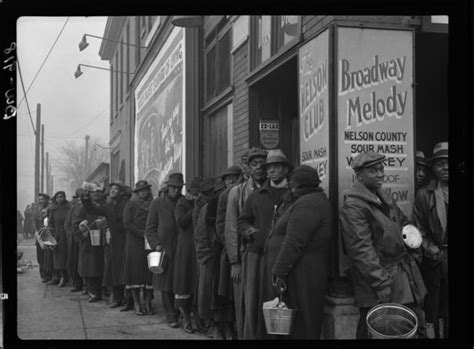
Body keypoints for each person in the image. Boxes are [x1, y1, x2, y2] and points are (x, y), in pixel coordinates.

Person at [339, 152, 427, 339]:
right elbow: (361, 250)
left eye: (381, 169)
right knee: (376, 326)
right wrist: (380, 283)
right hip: (380, 278)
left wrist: (413, 241)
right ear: (359, 176)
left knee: (412, 322)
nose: (380, 174)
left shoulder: (383, 196)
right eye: (373, 171)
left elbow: (403, 222)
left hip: (401, 273)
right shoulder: (353, 206)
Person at [260, 165, 333, 339]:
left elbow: (294, 241)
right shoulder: (310, 200)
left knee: (302, 323)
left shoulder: (308, 203)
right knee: (299, 322)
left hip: (303, 273)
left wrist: (278, 271)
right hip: (302, 271)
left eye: (294, 185)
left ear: (300, 186)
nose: (291, 188)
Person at [238, 148, 292, 340]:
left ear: (285, 169)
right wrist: (254, 234)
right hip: (257, 256)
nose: (271, 171)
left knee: (282, 302)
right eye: (269, 168)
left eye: (276, 167)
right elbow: (242, 222)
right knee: (255, 301)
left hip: (284, 256)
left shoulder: (293, 194)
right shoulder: (256, 196)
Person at [224, 147, 267, 339]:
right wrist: (235, 261)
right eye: (254, 164)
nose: (259, 167)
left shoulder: (272, 188)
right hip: (244, 254)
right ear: (248, 168)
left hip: (267, 253)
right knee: (245, 303)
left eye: (262, 163)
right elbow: (231, 227)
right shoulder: (237, 192)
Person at [413, 142, 449, 338]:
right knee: (434, 308)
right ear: (434, 169)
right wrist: (431, 249)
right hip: (436, 259)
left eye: (449, 162)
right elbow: (420, 229)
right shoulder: (424, 194)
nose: (446, 167)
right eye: (440, 164)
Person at [82, 180, 130, 309]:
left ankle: (128, 299)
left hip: (127, 241)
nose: (112, 190)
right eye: (112, 188)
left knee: (126, 270)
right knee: (114, 270)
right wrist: (86, 197)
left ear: (121, 193)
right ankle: (117, 297)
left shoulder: (127, 204)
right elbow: (92, 209)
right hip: (113, 243)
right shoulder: (108, 207)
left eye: (116, 189)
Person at [145, 172, 184, 328]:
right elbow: (150, 229)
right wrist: (156, 245)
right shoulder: (158, 203)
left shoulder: (184, 202)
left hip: (181, 249)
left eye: (179, 187)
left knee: (179, 282)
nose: (176, 190)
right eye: (173, 187)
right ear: (168, 187)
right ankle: (171, 315)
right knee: (166, 283)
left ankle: (178, 310)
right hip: (164, 249)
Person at [215, 165, 244, 340]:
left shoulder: (244, 191)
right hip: (226, 250)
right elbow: (220, 224)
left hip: (245, 248)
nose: (231, 181)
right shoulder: (223, 196)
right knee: (224, 293)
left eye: (234, 177)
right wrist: (229, 246)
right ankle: (223, 327)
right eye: (228, 178)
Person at [173, 176, 202, 333]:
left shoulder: (202, 202)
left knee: (195, 283)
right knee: (184, 282)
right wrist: (194, 209)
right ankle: (185, 318)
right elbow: (181, 222)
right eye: (195, 193)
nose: (197, 196)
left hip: (197, 247)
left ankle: (196, 315)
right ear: (189, 192)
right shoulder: (182, 203)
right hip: (185, 249)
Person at [122, 180, 154, 316]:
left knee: (149, 273)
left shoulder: (153, 204)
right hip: (134, 242)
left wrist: (151, 235)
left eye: (145, 190)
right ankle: (137, 303)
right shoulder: (131, 204)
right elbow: (127, 223)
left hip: (149, 242)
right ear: (136, 192)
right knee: (135, 274)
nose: (143, 193)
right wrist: (142, 234)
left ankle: (148, 303)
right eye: (140, 191)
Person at [74, 185, 106, 302]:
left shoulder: (106, 205)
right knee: (90, 267)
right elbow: (76, 223)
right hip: (89, 242)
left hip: (105, 241)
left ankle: (102, 290)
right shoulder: (84, 208)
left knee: (103, 266)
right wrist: (82, 230)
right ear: (90, 194)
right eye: (94, 192)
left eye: (99, 192)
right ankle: (92, 291)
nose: (96, 194)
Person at [48, 191, 71, 287]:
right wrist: (51, 236)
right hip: (57, 236)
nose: (59, 199)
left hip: (68, 236)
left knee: (68, 256)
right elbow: (50, 223)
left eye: (61, 197)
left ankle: (68, 277)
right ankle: (61, 277)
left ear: (64, 198)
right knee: (58, 258)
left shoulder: (69, 208)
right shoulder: (53, 210)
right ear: (55, 199)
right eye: (57, 197)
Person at [65, 188, 85, 293]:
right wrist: (71, 234)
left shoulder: (89, 207)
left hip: (85, 238)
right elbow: (67, 224)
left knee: (85, 261)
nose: (80, 200)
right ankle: (77, 283)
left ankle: (86, 285)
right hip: (74, 239)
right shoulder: (73, 209)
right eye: (79, 197)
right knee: (73, 261)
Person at [34, 193, 54, 283]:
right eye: (39, 199)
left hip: (47, 234)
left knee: (47, 256)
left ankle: (48, 275)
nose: (40, 201)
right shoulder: (38, 210)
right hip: (39, 235)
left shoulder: (50, 210)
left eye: (42, 199)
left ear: (46, 200)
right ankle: (43, 274)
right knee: (40, 256)